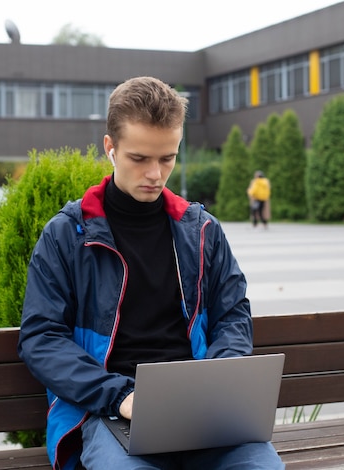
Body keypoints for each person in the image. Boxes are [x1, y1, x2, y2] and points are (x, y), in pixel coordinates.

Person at [18, 76, 284, 470]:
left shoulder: (202, 230)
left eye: (168, 158)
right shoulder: (68, 235)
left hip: (203, 413)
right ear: (109, 148)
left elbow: (233, 316)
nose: (156, 175)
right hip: (109, 411)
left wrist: (215, 384)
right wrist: (119, 395)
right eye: (139, 159)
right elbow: (41, 338)